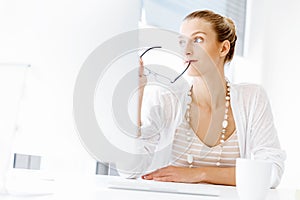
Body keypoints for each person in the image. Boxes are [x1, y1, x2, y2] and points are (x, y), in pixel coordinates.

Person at [136, 10, 285, 188]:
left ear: (223, 48)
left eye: (198, 40)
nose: (187, 50)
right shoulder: (166, 100)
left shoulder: (252, 99)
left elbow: (271, 173)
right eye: (182, 42)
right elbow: (131, 170)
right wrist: (138, 95)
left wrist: (198, 174)